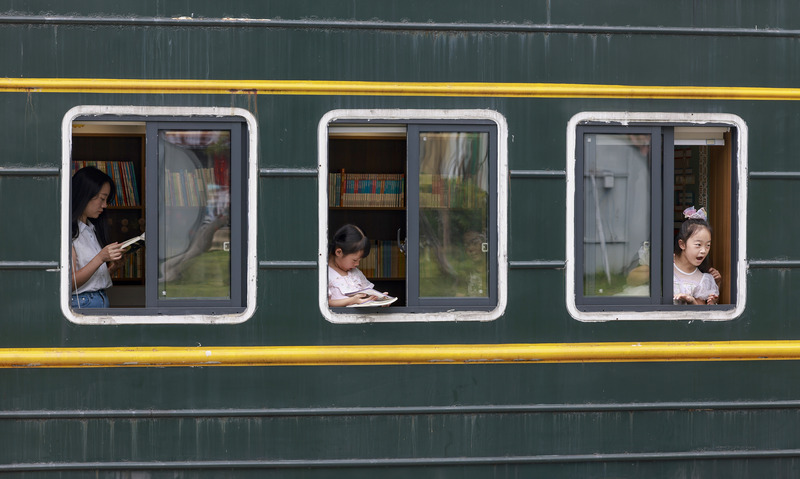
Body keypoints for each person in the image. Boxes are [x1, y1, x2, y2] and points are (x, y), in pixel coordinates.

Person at [70, 166, 123, 308]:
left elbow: (91, 282)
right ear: (85, 195)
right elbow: (68, 283)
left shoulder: (90, 229)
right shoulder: (70, 233)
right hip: (83, 303)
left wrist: (113, 268)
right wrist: (100, 258)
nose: (105, 205)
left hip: (99, 299)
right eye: (102, 198)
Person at [673, 206, 720, 305]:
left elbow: (701, 312)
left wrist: (692, 301)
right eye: (698, 245)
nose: (704, 251)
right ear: (682, 244)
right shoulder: (664, 264)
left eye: (708, 245)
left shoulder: (703, 280)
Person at [327, 224, 383, 307]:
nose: (357, 264)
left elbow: (368, 293)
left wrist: (379, 299)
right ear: (339, 252)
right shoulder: (326, 274)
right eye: (354, 260)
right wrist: (351, 301)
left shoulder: (355, 273)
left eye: (359, 260)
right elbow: (325, 303)